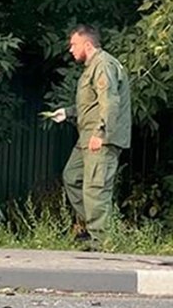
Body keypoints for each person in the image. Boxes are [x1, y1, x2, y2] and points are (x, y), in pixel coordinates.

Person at [46, 24, 131, 248]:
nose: (71, 49)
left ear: (87, 43)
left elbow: (110, 102)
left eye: (74, 44)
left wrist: (101, 133)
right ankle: (90, 228)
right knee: (72, 177)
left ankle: (101, 242)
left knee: (95, 188)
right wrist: (67, 113)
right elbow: (92, 103)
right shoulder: (93, 66)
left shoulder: (102, 65)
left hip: (99, 138)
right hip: (86, 137)